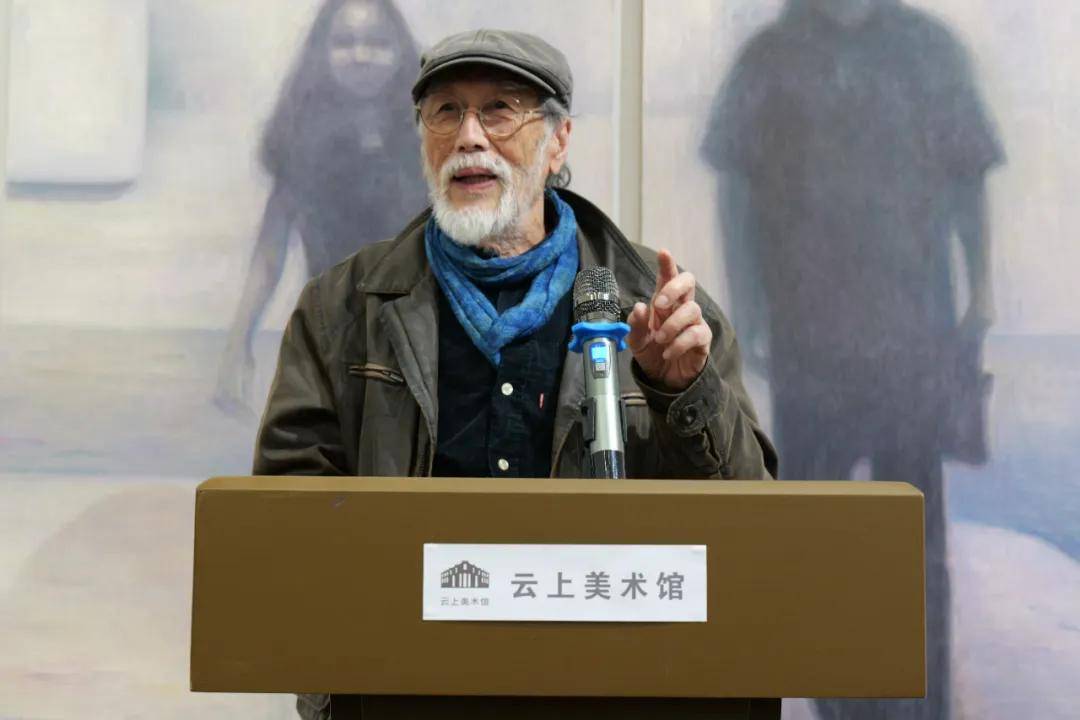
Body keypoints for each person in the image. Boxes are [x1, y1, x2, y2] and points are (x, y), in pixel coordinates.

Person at [252, 28, 777, 720]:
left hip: (609, 689)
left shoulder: (658, 307)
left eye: (499, 109)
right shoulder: (344, 308)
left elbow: (752, 528)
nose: (469, 137)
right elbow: (286, 522)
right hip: (410, 688)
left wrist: (683, 392)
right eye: (445, 112)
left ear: (558, 142)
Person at [702, 1, 1003, 718]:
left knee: (917, 537)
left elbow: (968, 181)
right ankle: (837, 704)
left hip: (914, 339)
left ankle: (922, 705)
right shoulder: (769, 59)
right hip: (809, 344)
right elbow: (736, 199)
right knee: (817, 531)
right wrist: (749, 312)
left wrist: (983, 289)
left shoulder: (927, 49)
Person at [215, 0, 428, 417]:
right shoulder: (299, 140)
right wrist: (236, 347)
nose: (361, 55)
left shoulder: (434, 137)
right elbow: (269, 255)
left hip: (420, 347)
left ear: (400, 50)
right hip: (333, 346)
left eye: (377, 42)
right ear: (322, 51)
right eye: (344, 42)